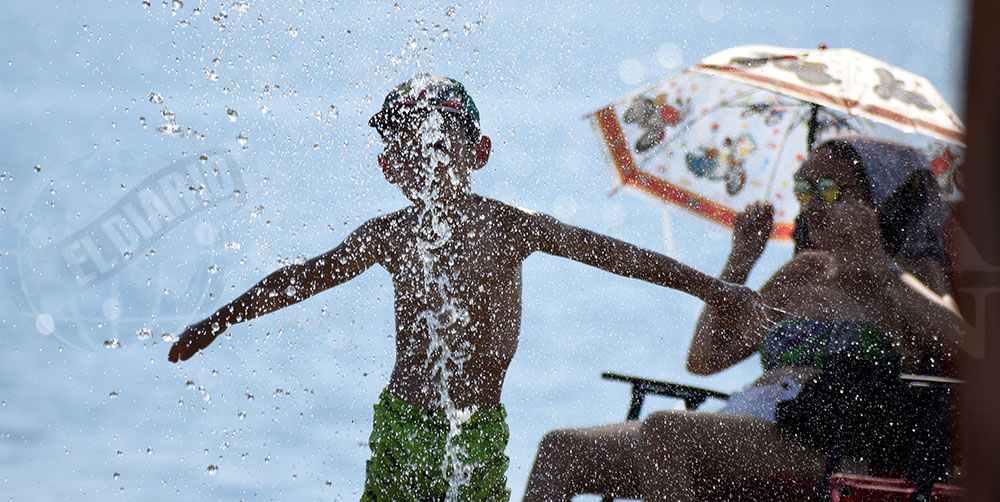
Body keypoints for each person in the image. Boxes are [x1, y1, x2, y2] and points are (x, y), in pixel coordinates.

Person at [167, 74, 756, 502]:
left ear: (478, 153)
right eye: (404, 148)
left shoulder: (510, 228)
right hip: (401, 421)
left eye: (438, 142)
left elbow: (617, 256)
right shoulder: (389, 235)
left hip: (474, 424)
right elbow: (301, 279)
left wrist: (714, 288)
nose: (422, 158)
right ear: (387, 167)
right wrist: (221, 318)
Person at [522, 137, 967, 502]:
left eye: (830, 189)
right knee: (561, 450)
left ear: (878, 198)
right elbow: (704, 359)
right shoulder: (802, 271)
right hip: (750, 420)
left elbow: (970, 346)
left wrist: (878, 267)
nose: (813, 204)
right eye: (804, 189)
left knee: (667, 430)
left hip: (829, 435)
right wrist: (740, 262)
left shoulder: (912, 275)